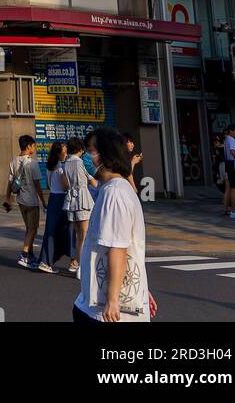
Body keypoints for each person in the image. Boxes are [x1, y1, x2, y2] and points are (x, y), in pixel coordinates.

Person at [73, 128, 157, 324]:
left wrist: (112, 300)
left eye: (91, 151)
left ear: (106, 155)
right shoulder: (112, 189)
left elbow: (118, 248)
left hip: (108, 311)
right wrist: (140, 289)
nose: (88, 157)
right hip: (95, 301)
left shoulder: (115, 193)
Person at [3, 134, 46, 268]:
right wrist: (43, 201)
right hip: (31, 201)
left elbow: (10, 182)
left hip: (21, 200)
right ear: (28, 146)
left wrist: (8, 198)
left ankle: (31, 255)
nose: (34, 148)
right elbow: (37, 185)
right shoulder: (32, 163)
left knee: (29, 228)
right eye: (33, 146)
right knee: (32, 229)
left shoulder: (14, 161)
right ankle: (25, 254)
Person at [63, 137, 95, 276]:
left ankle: (76, 263)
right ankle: (81, 266)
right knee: (84, 235)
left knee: (78, 235)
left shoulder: (65, 163)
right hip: (82, 198)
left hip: (71, 199)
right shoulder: (80, 162)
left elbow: (65, 183)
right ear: (81, 149)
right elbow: (91, 180)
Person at [37, 140, 69, 273]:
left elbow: (49, 184)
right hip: (61, 198)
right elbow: (64, 186)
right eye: (65, 151)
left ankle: (44, 260)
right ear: (59, 153)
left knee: (50, 230)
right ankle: (47, 261)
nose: (66, 153)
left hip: (53, 197)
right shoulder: (61, 167)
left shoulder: (50, 166)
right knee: (60, 231)